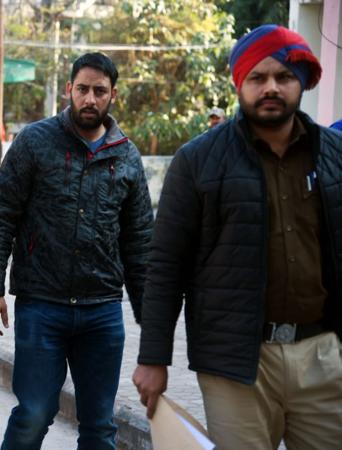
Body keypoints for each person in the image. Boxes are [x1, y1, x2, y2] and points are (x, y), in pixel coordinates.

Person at [133, 24, 342, 450]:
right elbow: (166, 266)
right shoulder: (198, 161)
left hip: (324, 355)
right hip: (236, 364)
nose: (271, 88)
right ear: (239, 83)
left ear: (300, 82)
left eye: (283, 77)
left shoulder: (335, 154)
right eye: (257, 78)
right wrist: (153, 359)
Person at [0, 52, 154, 449]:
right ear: (68, 90)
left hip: (103, 310)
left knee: (100, 426)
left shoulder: (126, 154)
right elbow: (0, 216)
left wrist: (152, 323)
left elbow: (140, 242)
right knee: (34, 414)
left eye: (99, 91)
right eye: (82, 89)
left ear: (113, 95)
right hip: (43, 305)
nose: (90, 99)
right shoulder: (36, 141)